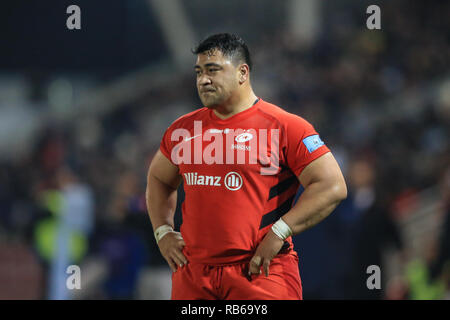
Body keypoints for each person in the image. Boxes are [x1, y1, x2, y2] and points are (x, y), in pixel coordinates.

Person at [146, 33, 347, 300]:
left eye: (212, 71)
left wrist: (281, 230)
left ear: (242, 73)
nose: (202, 80)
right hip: (193, 275)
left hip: (259, 272)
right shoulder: (183, 130)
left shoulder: (285, 126)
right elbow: (158, 179)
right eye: (198, 72)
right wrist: (163, 231)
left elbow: (332, 186)